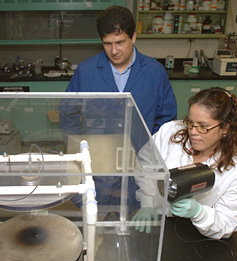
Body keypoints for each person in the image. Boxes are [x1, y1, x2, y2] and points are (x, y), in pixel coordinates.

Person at [59, 5, 177, 214]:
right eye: (107, 44)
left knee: (134, 216)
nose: (114, 51)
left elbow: (167, 118)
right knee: (97, 215)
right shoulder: (86, 71)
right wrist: (81, 146)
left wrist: (147, 147)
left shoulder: (154, 72)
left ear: (133, 36)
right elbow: (68, 111)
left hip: (137, 164)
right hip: (98, 163)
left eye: (120, 42)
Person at [133, 87, 237, 239]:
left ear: (225, 128)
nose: (193, 131)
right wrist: (147, 203)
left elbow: (230, 221)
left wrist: (199, 213)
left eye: (203, 126)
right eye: (190, 122)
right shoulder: (170, 132)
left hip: (200, 237)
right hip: (156, 221)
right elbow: (145, 164)